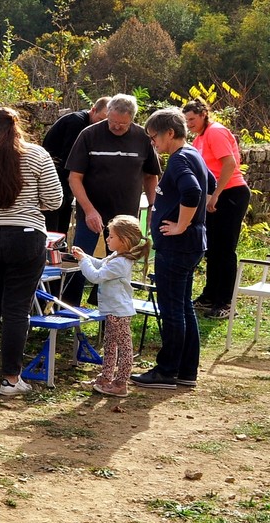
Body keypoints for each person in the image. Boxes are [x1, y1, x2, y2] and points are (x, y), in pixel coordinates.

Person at [0, 108, 63, 397]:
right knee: (17, 309)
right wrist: (30, 205)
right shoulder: (38, 155)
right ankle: (10, 378)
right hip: (27, 236)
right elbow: (55, 199)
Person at [131, 108, 214, 390]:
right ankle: (186, 371)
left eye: (154, 137)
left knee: (172, 310)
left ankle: (167, 371)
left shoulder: (179, 159)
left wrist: (182, 224)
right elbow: (211, 183)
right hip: (191, 244)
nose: (152, 142)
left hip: (178, 245)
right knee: (183, 306)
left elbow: (193, 191)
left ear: (169, 132)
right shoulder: (192, 154)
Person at [63, 93, 161, 305]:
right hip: (91, 213)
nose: (116, 127)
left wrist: (154, 206)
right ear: (107, 114)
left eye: (122, 124)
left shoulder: (142, 138)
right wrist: (89, 210)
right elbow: (74, 178)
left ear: (132, 119)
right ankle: (69, 308)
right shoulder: (89, 135)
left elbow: (151, 176)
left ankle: (110, 311)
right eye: (112, 121)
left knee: (118, 264)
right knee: (80, 258)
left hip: (125, 217)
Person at [184, 99, 250, 320]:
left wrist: (216, 194)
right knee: (211, 248)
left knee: (225, 249)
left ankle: (226, 302)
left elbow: (230, 164)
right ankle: (210, 295)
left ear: (203, 114)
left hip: (231, 193)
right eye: (186, 121)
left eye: (192, 119)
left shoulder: (216, 131)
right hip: (214, 195)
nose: (189, 124)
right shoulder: (199, 138)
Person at [71, 215, 150, 397]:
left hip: (118, 312)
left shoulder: (121, 263)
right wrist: (85, 256)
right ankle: (105, 378)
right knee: (109, 346)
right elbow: (101, 264)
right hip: (111, 311)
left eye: (111, 236)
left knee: (124, 348)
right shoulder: (116, 256)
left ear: (124, 240)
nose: (107, 239)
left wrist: (83, 261)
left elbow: (96, 276)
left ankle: (121, 383)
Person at [41, 96, 110, 237]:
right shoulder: (76, 123)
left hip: (64, 178)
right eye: (101, 119)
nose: (102, 125)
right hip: (55, 177)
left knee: (62, 225)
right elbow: (71, 158)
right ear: (93, 110)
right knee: (54, 228)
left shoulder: (87, 125)